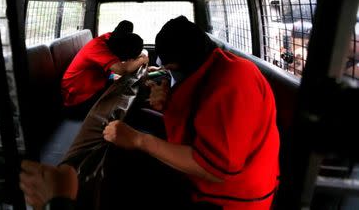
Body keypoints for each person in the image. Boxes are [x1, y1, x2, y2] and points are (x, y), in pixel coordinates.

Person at [103, 16, 280, 209]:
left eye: (169, 69)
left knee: (123, 169)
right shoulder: (210, 67)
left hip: (227, 197)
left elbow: (214, 169)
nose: (168, 73)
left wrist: (139, 140)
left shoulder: (231, 83)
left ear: (182, 64)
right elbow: (198, 116)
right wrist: (167, 104)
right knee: (131, 131)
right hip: (203, 175)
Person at [61, 20, 149, 118]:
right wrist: (142, 60)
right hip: (76, 99)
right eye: (126, 58)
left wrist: (139, 57)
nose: (126, 60)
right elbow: (122, 69)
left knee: (128, 90)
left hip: (94, 87)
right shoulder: (98, 47)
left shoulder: (112, 38)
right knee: (126, 101)